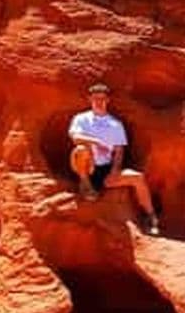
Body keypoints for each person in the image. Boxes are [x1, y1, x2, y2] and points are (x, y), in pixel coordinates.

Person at [68, 82, 160, 235]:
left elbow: (119, 151)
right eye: (96, 98)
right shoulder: (81, 119)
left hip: (106, 169)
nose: (99, 102)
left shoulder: (115, 124)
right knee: (81, 149)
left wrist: (115, 170)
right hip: (86, 166)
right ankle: (85, 184)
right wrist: (97, 142)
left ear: (107, 100)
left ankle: (150, 217)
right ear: (90, 99)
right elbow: (75, 138)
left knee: (137, 178)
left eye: (102, 99)